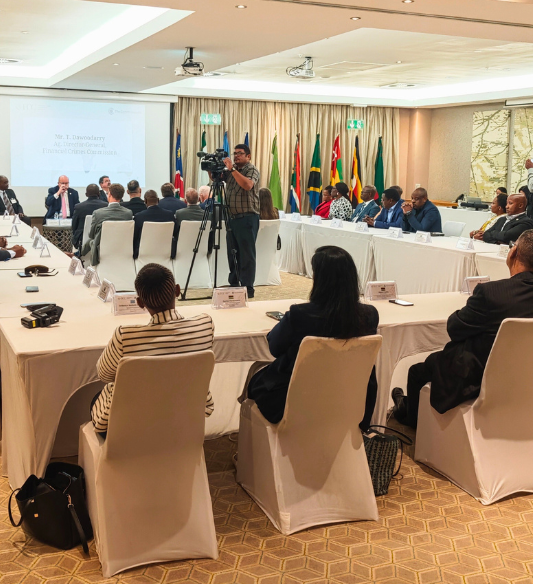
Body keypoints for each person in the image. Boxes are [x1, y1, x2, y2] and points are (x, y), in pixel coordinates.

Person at [391, 229, 533, 427]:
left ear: (513, 252)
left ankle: (410, 418)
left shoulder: (491, 293)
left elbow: (455, 329)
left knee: (418, 370)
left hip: (479, 374)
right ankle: (407, 406)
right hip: (527, 374)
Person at [247, 246, 380, 430]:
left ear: (320, 280)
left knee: (256, 378)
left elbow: (274, 348)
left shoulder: (300, 315)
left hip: (296, 402)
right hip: (348, 401)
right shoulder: (369, 315)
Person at [90, 263, 215, 435]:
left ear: (140, 302)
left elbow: (104, 375)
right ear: (177, 290)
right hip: (185, 417)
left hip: (131, 426)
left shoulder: (125, 337)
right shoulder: (205, 325)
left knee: (97, 400)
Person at [223, 143, 261, 298]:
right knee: (232, 254)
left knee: (246, 255)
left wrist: (232, 169)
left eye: (240, 153)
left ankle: (247, 288)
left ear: (248, 156)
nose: (236, 156)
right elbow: (217, 178)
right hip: (232, 219)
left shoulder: (251, 170)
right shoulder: (232, 172)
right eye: (234, 153)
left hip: (247, 217)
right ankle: (234, 283)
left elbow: (247, 185)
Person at [84, 183, 133, 264]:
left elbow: (92, 235)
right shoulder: (128, 213)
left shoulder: (98, 213)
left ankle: (78, 255)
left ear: (109, 194)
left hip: (102, 250)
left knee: (91, 240)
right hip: (122, 248)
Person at [132, 190, 174, 259]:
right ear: (158, 200)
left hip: (143, 254)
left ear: (145, 201)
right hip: (165, 253)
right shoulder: (169, 215)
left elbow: (134, 237)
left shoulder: (139, 217)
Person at [71, 184, 107, 252]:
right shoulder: (106, 206)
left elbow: (74, 226)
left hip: (81, 242)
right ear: (99, 194)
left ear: (86, 194)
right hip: (101, 241)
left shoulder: (79, 207)